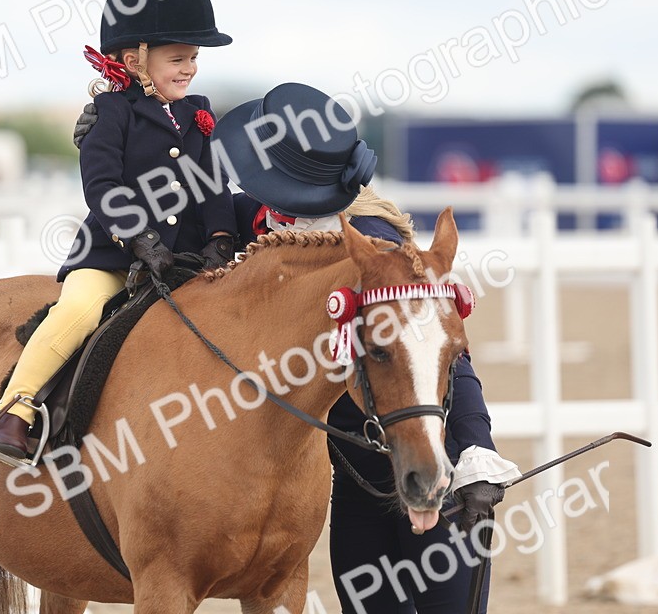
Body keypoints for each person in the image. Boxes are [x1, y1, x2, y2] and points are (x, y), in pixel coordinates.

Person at [213, 83, 520, 614]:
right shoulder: (251, 223)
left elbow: (444, 355)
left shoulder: (374, 243)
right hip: (352, 473)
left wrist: (474, 447)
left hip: (423, 459)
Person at [0, 0, 239, 464]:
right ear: (136, 60)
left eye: (193, 58)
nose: (189, 68)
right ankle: (15, 411)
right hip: (113, 255)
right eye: (178, 58)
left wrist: (221, 239)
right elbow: (102, 188)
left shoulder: (199, 113)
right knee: (78, 310)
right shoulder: (111, 113)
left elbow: (214, 186)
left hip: (186, 256)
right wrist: (141, 238)